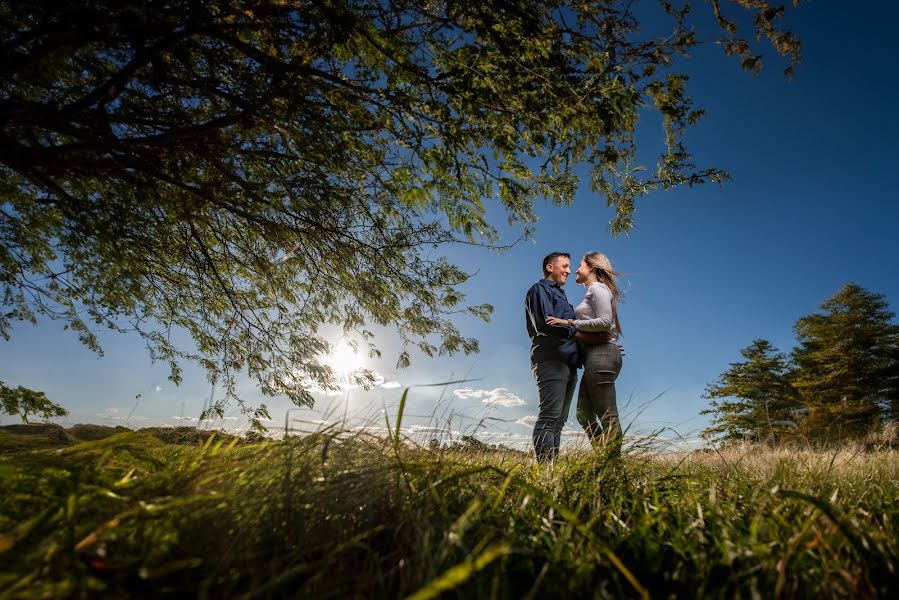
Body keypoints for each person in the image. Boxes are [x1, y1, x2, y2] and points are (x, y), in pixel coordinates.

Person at [524, 252, 610, 462]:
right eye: (564, 266)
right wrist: (588, 338)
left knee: (559, 421)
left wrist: (604, 343)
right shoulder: (539, 290)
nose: (569, 271)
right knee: (548, 418)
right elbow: (546, 324)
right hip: (551, 359)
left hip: (570, 364)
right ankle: (544, 471)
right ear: (549, 267)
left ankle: (551, 470)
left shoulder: (563, 297)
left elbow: (573, 332)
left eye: (570, 266)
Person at [546, 252, 623, 446]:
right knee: (583, 413)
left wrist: (569, 322)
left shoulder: (597, 288)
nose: (574, 271)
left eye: (579, 266)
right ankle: (603, 457)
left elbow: (605, 322)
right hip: (596, 354)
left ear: (592, 268)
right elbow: (603, 326)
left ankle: (613, 468)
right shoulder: (593, 291)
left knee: (607, 415)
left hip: (601, 355)